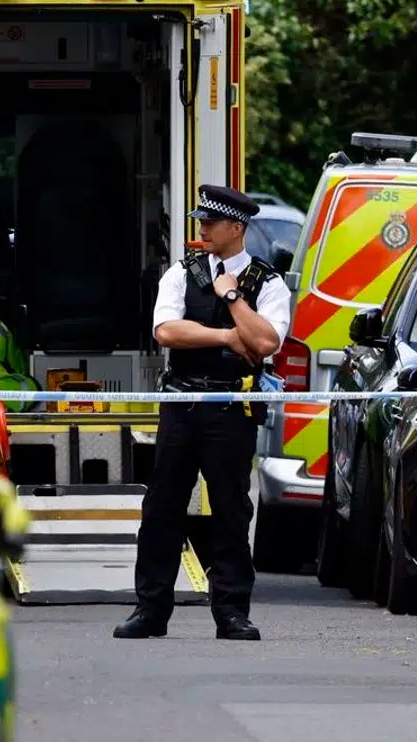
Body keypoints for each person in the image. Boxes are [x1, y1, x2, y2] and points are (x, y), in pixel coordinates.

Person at [115, 184, 290, 642]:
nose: (202, 229)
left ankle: (231, 611)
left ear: (237, 228)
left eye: (210, 223)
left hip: (231, 405)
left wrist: (233, 299)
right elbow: (167, 330)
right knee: (162, 508)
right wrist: (228, 338)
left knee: (231, 510)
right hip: (182, 402)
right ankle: (150, 609)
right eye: (200, 221)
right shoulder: (181, 273)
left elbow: (268, 343)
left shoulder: (266, 283)